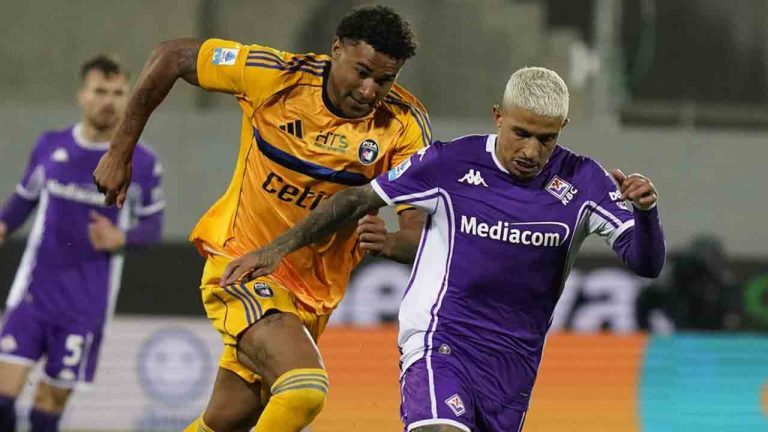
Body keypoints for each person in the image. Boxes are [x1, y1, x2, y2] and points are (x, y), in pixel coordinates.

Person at [223, 66, 666, 432]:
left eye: (545, 139)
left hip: (513, 366)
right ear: (497, 116)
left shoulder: (583, 181)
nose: (531, 150)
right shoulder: (450, 162)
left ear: (562, 130)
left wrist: (645, 212)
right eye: (521, 133)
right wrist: (276, 249)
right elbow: (358, 198)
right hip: (440, 340)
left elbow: (645, 263)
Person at [92, 5, 430, 432]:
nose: (368, 91)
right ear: (336, 49)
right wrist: (120, 152)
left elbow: (418, 235)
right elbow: (171, 56)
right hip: (241, 265)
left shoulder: (404, 126)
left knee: (223, 423)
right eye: (361, 72)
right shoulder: (274, 76)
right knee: (305, 389)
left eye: (385, 80)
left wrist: (394, 242)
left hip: (311, 299)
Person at [0, 55, 164, 432]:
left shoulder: (142, 161)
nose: (109, 100)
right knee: (3, 396)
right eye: (100, 91)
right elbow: (24, 198)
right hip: (33, 295)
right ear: (83, 96)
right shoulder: (50, 146)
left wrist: (121, 237)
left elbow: (153, 226)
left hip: (85, 306)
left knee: (47, 406)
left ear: (128, 98)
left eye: (118, 92)